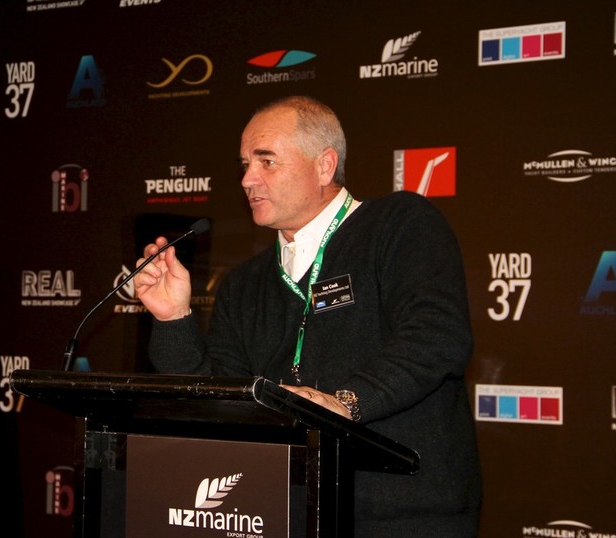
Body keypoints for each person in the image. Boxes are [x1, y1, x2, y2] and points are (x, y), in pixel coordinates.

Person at [133, 95, 482, 536]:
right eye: (244, 164)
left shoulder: (399, 224)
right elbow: (219, 399)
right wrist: (173, 319)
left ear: (324, 165)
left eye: (267, 161)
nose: (247, 179)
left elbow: (437, 336)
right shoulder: (244, 282)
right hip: (282, 508)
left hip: (402, 513)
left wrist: (346, 403)